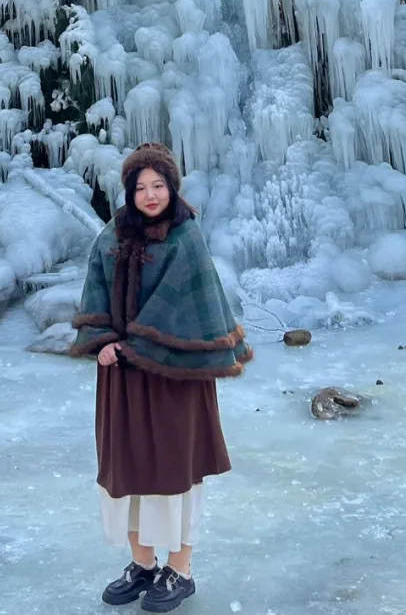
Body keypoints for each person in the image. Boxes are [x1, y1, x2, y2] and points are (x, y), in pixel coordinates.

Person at [70, 142, 252, 611]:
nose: (150, 195)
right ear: (129, 191)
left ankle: (180, 570)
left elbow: (188, 306)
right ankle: (143, 564)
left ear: (172, 188)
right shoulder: (112, 235)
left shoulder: (185, 238)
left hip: (175, 378)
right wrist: (104, 341)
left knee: (175, 474)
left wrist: (136, 346)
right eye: (140, 187)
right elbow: (95, 291)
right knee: (128, 472)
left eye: (159, 186)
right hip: (123, 377)